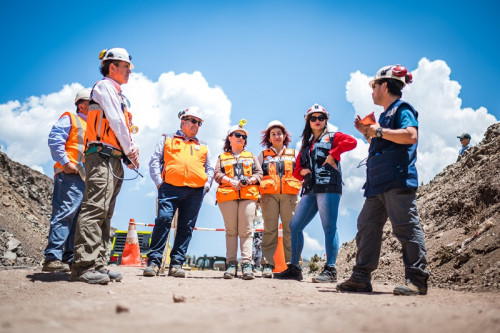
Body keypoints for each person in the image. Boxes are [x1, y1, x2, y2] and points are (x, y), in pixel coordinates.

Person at [337, 64, 430, 296]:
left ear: (385, 85)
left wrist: (377, 131)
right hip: (377, 184)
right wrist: (366, 132)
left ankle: (417, 280)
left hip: (397, 180)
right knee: (366, 225)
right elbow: (384, 143)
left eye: (374, 85)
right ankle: (360, 278)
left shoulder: (402, 108)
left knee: (406, 228)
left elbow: (410, 135)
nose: (372, 90)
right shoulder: (384, 117)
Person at [71, 48, 139, 284]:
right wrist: (131, 151)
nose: (129, 71)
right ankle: (84, 265)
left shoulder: (118, 93)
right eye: (126, 66)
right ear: (113, 66)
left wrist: (127, 153)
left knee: (105, 212)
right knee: (94, 208)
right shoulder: (104, 87)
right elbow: (117, 121)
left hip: (112, 157)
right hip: (100, 156)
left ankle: (99, 262)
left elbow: (121, 127)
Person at [274, 104, 357, 282]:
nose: (317, 121)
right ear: (308, 121)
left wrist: (334, 154)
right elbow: (296, 170)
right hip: (311, 189)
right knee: (295, 226)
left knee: (329, 227)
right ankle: (295, 268)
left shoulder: (334, 137)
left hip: (328, 186)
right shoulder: (306, 145)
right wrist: (302, 172)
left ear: (326, 119)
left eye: (321, 118)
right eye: (314, 118)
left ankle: (331, 269)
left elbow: (352, 142)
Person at [144, 106, 214, 277]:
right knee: (164, 219)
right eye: (193, 121)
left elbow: (210, 168)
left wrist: (206, 186)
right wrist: (160, 183)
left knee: (186, 227)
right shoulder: (167, 138)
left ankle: (176, 264)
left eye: (199, 123)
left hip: (195, 191)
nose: (196, 125)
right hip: (169, 188)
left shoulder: (203, 145)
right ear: (183, 121)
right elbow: (155, 161)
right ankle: (154, 262)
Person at [43, 88, 90, 272]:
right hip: (70, 174)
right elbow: (55, 139)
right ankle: (52, 257)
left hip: (85, 178)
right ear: (81, 104)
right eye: (91, 102)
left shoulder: (93, 126)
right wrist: (65, 162)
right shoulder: (70, 118)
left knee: (78, 219)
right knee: (64, 214)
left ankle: (69, 257)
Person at [214, 122, 263, 280]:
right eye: (238, 135)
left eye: (244, 136)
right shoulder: (222, 157)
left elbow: (259, 173)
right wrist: (230, 181)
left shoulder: (251, 156)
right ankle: (231, 264)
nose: (241, 138)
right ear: (230, 138)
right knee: (231, 231)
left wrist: (249, 180)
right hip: (228, 195)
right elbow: (216, 175)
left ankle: (247, 264)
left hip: (248, 196)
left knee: (247, 230)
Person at [257, 120, 301, 278]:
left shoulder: (294, 154)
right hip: (269, 197)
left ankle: (293, 264)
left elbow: (301, 172)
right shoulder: (263, 156)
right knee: (270, 230)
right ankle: (267, 264)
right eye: (273, 134)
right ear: (269, 138)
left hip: (290, 197)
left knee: (292, 230)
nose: (276, 136)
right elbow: (257, 176)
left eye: (279, 133)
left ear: (285, 136)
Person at [252, 204, 263, 272]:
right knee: (255, 249)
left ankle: (257, 265)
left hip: (260, 231)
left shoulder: (261, 209)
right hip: (255, 231)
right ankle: (254, 265)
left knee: (259, 249)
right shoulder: (255, 209)